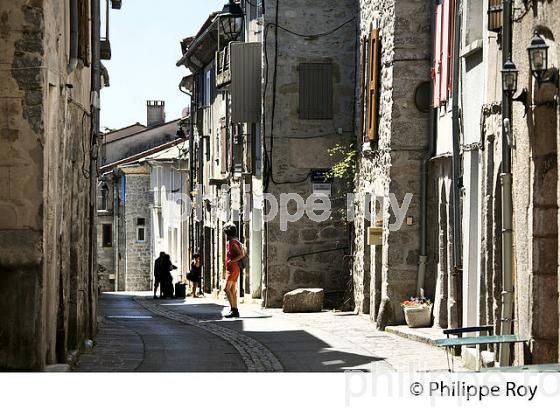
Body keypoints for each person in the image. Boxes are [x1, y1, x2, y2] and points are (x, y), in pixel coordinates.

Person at [222, 223, 244, 318]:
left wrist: (231, 261)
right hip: (231, 268)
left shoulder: (233, 242)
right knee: (232, 289)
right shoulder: (232, 241)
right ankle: (235, 309)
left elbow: (241, 254)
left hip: (233, 268)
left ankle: (234, 310)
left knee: (226, 289)